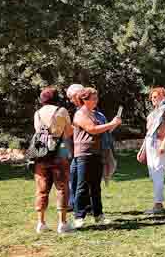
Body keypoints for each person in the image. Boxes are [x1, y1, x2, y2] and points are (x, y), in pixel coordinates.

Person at [72, 87, 121, 228]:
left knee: (95, 186)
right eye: (93, 98)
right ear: (84, 100)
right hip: (84, 153)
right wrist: (111, 124)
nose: (96, 101)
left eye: (96, 98)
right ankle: (78, 217)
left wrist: (114, 124)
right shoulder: (80, 114)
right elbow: (92, 129)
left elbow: (104, 130)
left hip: (97, 152)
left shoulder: (96, 114)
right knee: (82, 186)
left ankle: (98, 215)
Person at [31, 87, 75, 234]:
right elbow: (68, 132)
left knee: (41, 188)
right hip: (59, 151)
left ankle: (41, 222)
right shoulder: (61, 111)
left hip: (41, 153)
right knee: (62, 187)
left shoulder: (37, 113)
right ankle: (62, 223)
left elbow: (38, 131)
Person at [142, 86, 165, 215]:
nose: (153, 99)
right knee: (153, 173)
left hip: (160, 144)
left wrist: (163, 144)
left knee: (158, 172)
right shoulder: (154, 112)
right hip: (150, 144)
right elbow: (149, 132)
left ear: (163, 96)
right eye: (152, 97)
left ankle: (158, 204)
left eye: (155, 97)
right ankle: (158, 203)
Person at [65, 83, 84, 212]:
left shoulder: (86, 109)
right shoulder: (79, 110)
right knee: (73, 175)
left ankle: (77, 205)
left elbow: (82, 128)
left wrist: (65, 127)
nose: (71, 101)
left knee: (77, 177)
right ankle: (73, 204)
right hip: (77, 148)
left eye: (72, 97)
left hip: (83, 149)